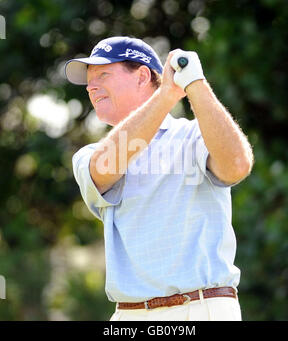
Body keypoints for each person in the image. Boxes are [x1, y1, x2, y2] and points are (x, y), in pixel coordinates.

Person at [65, 36, 254, 321]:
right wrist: (166, 94)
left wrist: (195, 83)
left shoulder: (193, 136)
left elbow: (237, 165)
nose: (91, 87)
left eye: (102, 74)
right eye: (89, 80)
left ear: (142, 76)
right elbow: (104, 168)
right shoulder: (91, 154)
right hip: (130, 316)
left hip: (204, 309)